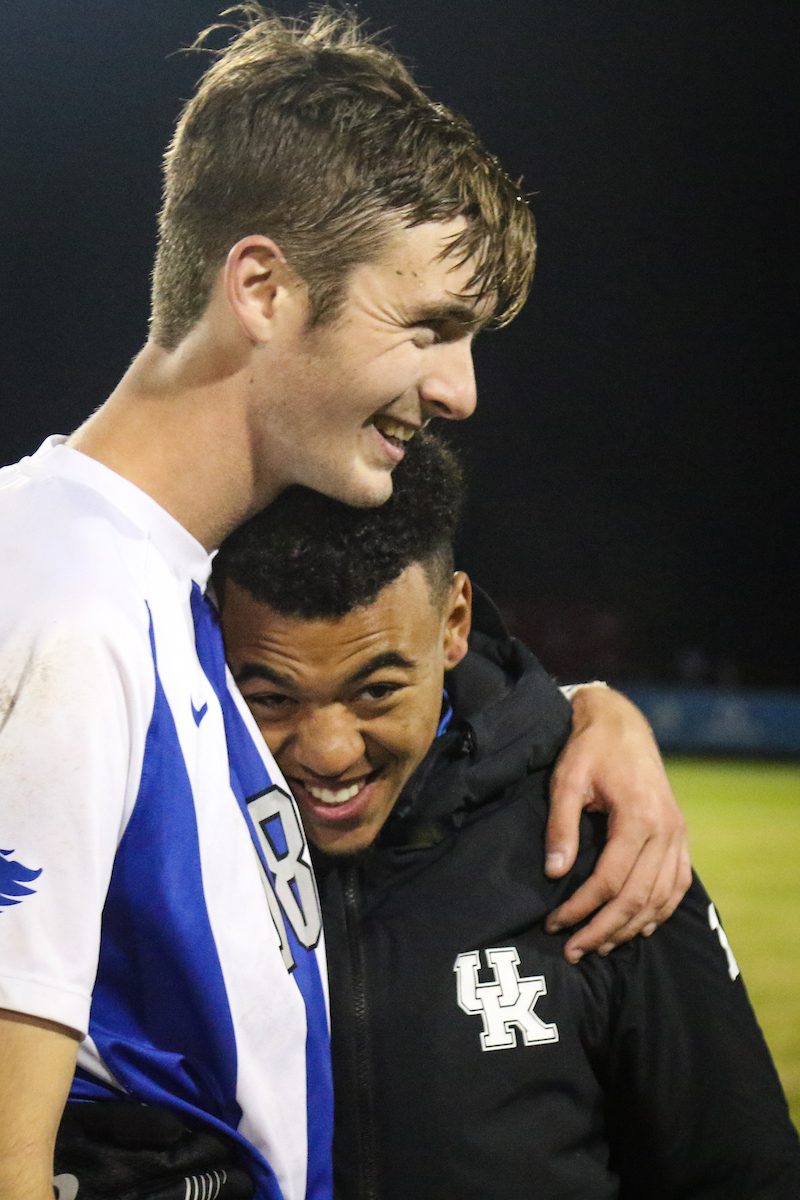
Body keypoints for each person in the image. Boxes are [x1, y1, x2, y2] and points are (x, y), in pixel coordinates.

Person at [0, 8, 684, 1199]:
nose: (458, 390)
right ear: (262, 287)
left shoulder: (147, 580)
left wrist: (582, 710)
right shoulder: (68, 606)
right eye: (427, 327)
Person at [214, 432, 800, 1200]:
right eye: (271, 697)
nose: (328, 753)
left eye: (378, 691)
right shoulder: (168, 833)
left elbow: (741, 1173)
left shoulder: (607, 851)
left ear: (454, 623)